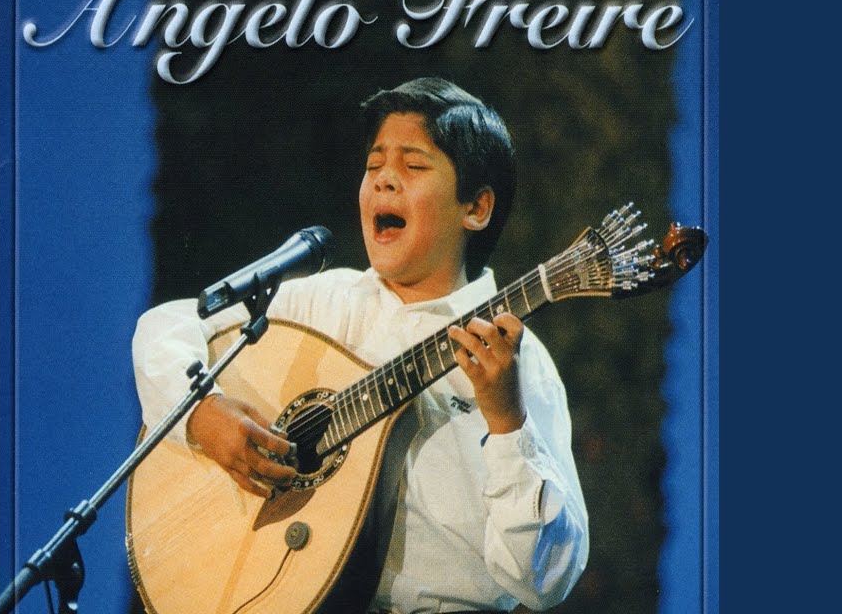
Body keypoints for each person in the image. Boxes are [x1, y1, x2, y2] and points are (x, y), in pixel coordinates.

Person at [133, 77, 588, 614]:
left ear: (477, 207)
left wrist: (508, 423)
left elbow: (544, 579)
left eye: (413, 166)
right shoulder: (322, 303)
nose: (384, 180)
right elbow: (167, 325)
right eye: (374, 166)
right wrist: (201, 414)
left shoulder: (517, 364)